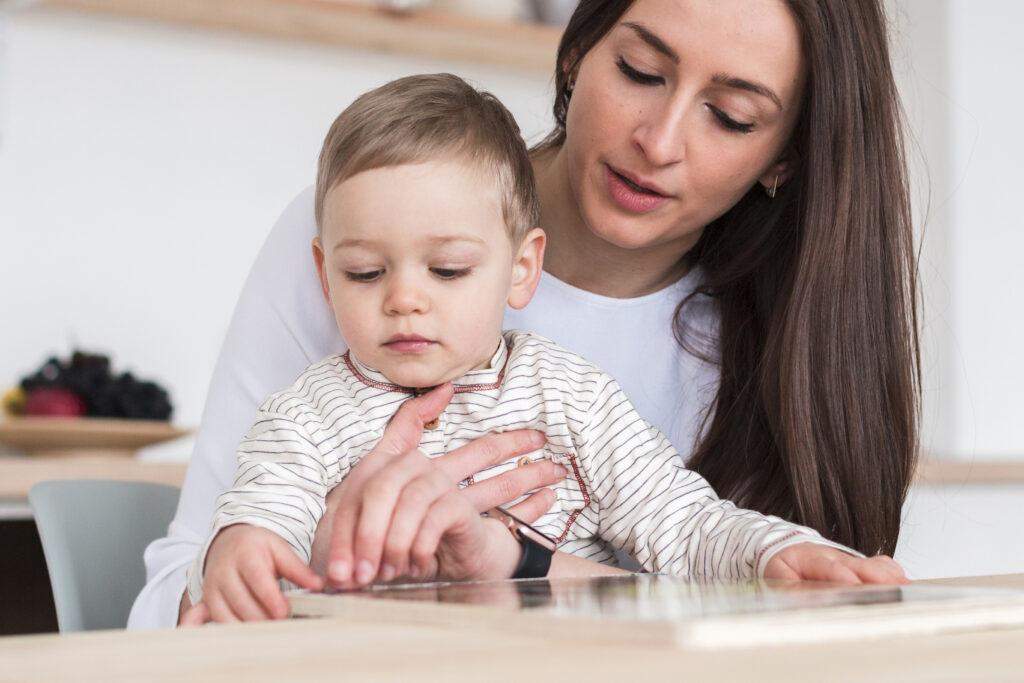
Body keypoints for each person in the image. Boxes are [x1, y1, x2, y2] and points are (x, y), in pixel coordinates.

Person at [129, 0, 919, 629]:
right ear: (574, 50)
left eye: (733, 115)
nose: (659, 140)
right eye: (641, 70)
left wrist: (776, 553)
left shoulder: (572, 390)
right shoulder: (328, 348)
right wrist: (276, 554)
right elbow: (201, 574)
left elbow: (695, 532)